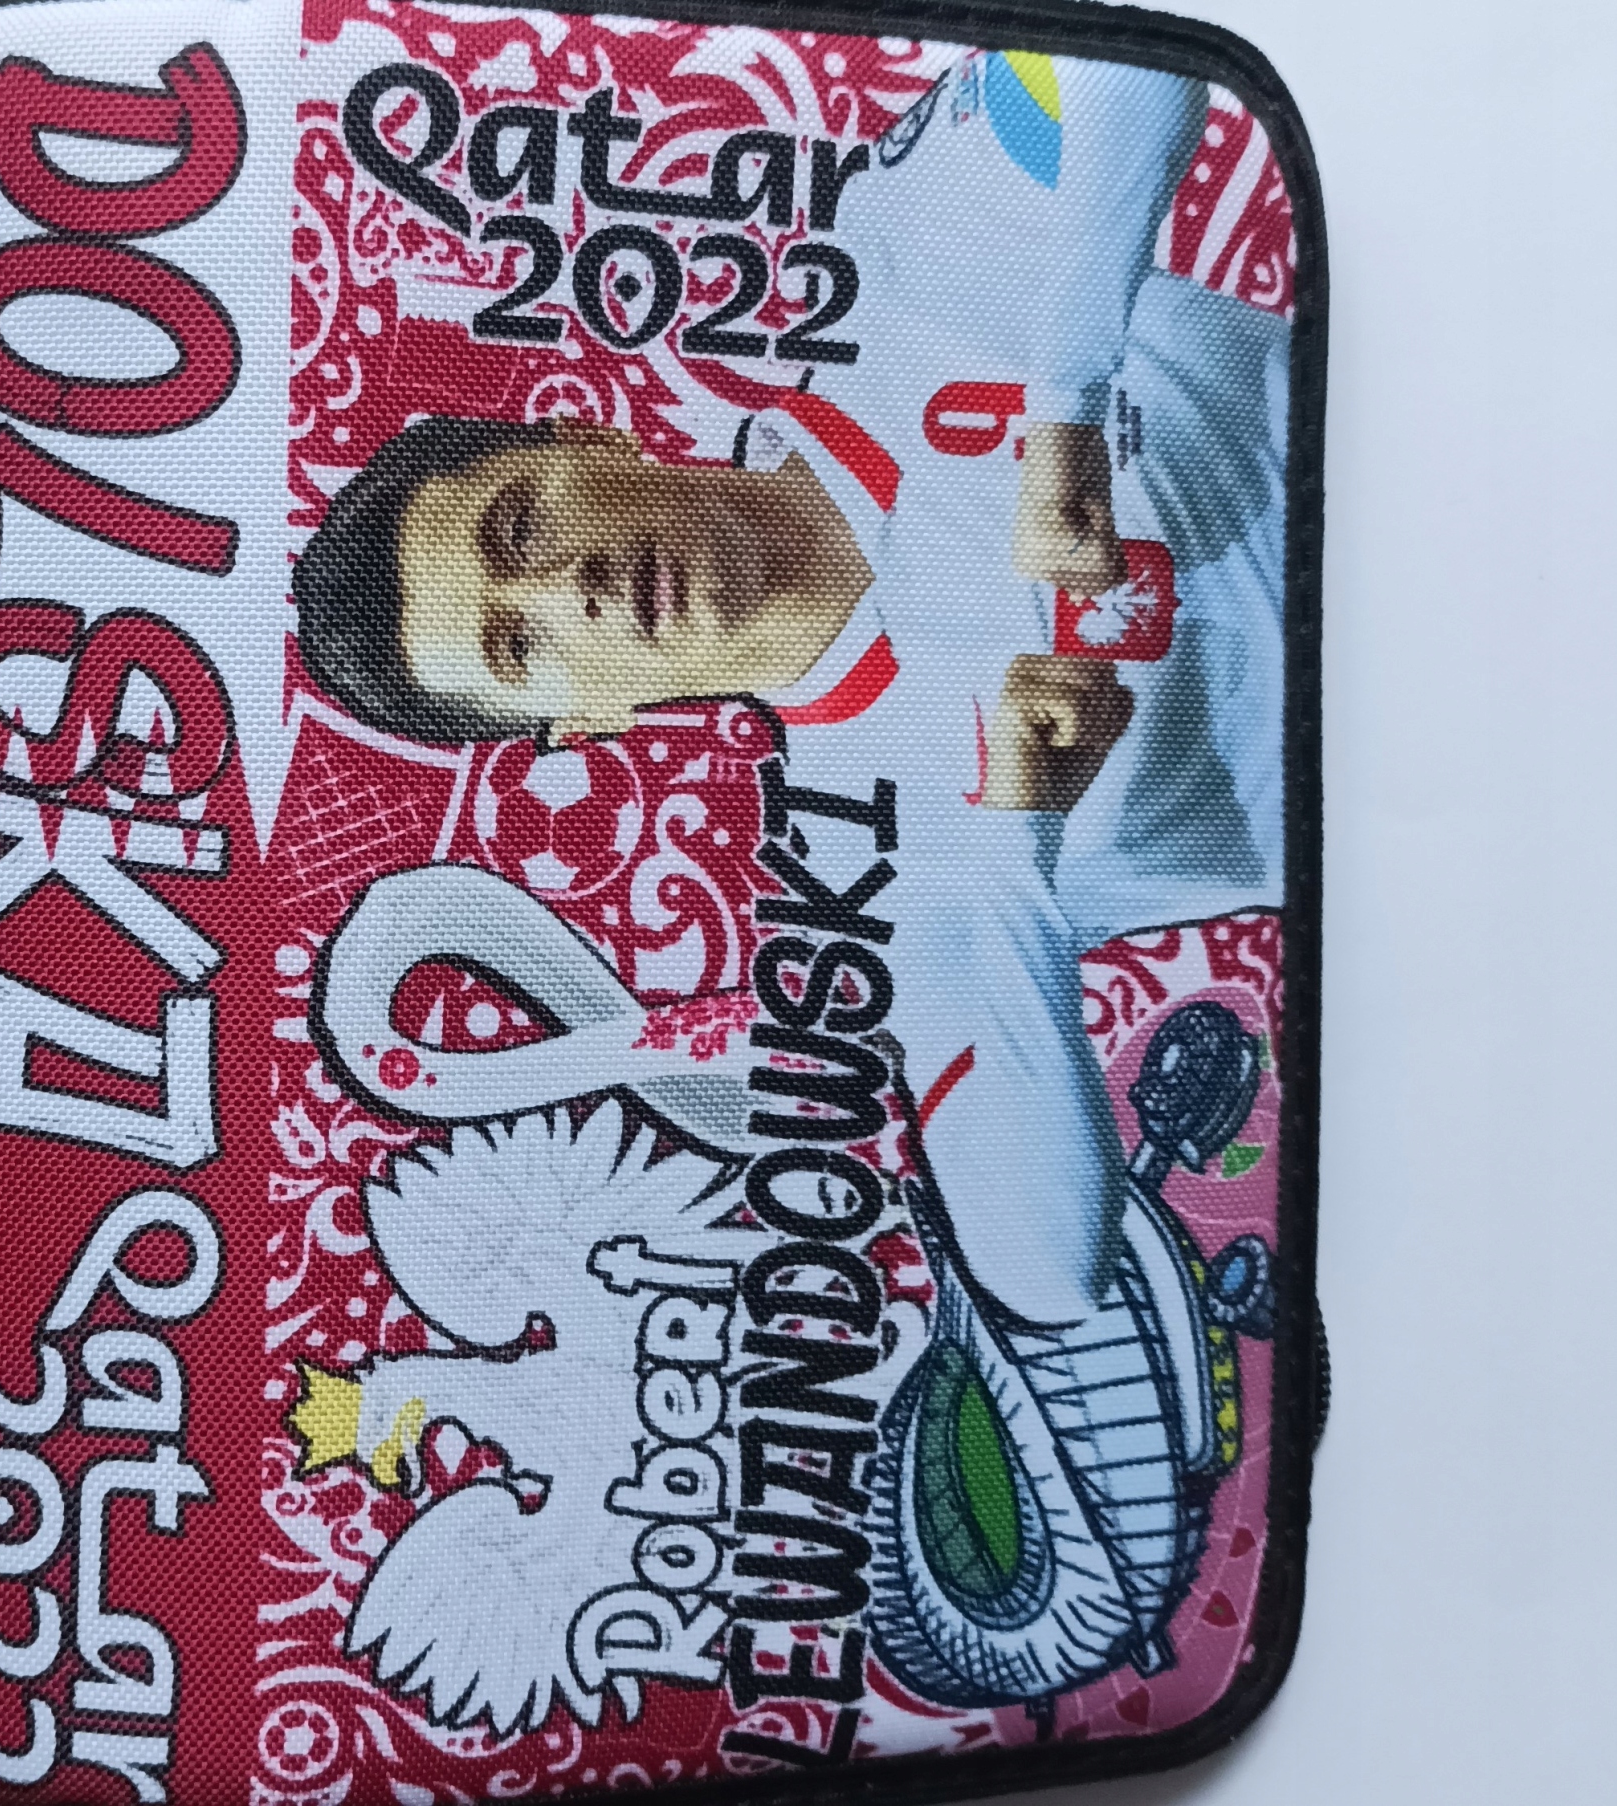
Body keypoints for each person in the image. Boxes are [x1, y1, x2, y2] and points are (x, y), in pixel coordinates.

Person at [296, 50, 1289, 1696]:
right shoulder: (881, 875)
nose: (575, 591)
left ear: (580, 430)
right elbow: (1042, 1256)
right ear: (575, 727)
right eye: (524, 646)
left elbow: (1122, 70)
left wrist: (1064, 408)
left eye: (522, 526)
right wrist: (1015, 835)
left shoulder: (905, 259)